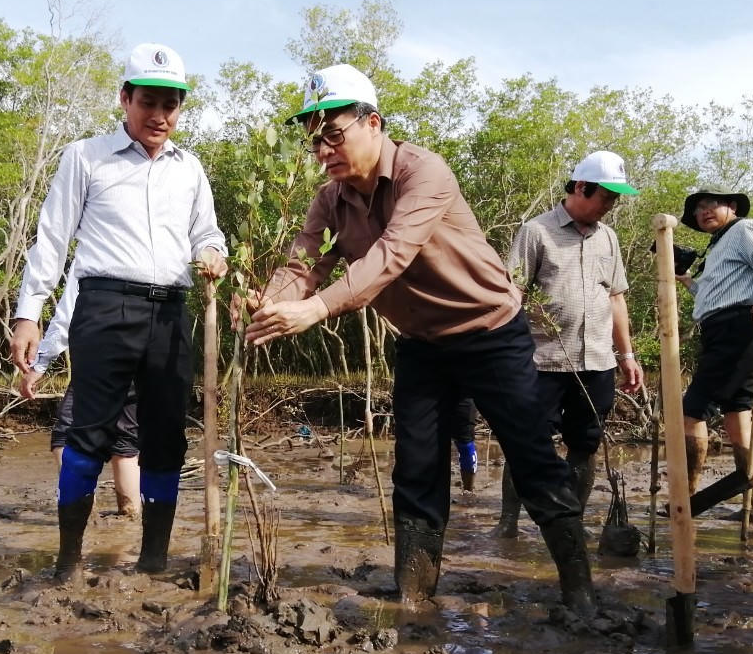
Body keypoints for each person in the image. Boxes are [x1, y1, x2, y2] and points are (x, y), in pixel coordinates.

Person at [246, 63, 595, 613]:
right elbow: (303, 261)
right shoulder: (329, 200)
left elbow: (390, 256)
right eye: (313, 140)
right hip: (421, 344)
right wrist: (272, 300)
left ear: (373, 123)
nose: (323, 151)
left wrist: (314, 309)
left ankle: (580, 594)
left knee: (532, 459)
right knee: (416, 467)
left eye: (333, 134)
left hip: (490, 332)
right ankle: (414, 598)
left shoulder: (423, 172)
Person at [10, 42, 227, 582]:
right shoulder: (85, 157)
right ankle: (67, 562)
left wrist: (213, 253)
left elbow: (207, 230)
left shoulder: (190, 168)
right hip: (104, 306)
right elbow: (52, 238)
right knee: (89, 431)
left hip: (171, 313)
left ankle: (153, 559)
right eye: (149, 102)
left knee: (166, 436)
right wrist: (28, 315)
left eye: (171, 106)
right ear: (125, 98)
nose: (160, 116)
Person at [493, 150, 644, 538]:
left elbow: (615, 298)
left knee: (585, 443)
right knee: (525, 443)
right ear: (580, 187)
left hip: (595, 361)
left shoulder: (608, 238)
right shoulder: (537, 231)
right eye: (605, 197)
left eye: (615, 199)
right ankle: (508, 522)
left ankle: (570, 524)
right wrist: (503, 356)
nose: (610, 206)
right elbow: (515, 294)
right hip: (541, 361)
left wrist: (626, 355)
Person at [677, 188, 753, 501]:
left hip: (737, 326)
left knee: (691, 411)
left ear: (731, 206)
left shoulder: (744, 228)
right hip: (721, 327)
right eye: (698, 209)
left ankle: (685, 498)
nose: (703, 212)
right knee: (737, 411)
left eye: (710, 205)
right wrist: (688, 281)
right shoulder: (717, 246)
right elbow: (713, 297)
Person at [21, 268, 141, 518]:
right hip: (141, 352)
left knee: (64, 438)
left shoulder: (92, 257)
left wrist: (40, 364)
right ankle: (130, 525)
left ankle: (84, 516)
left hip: (100, 356)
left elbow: (67, 315)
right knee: (125, 443)